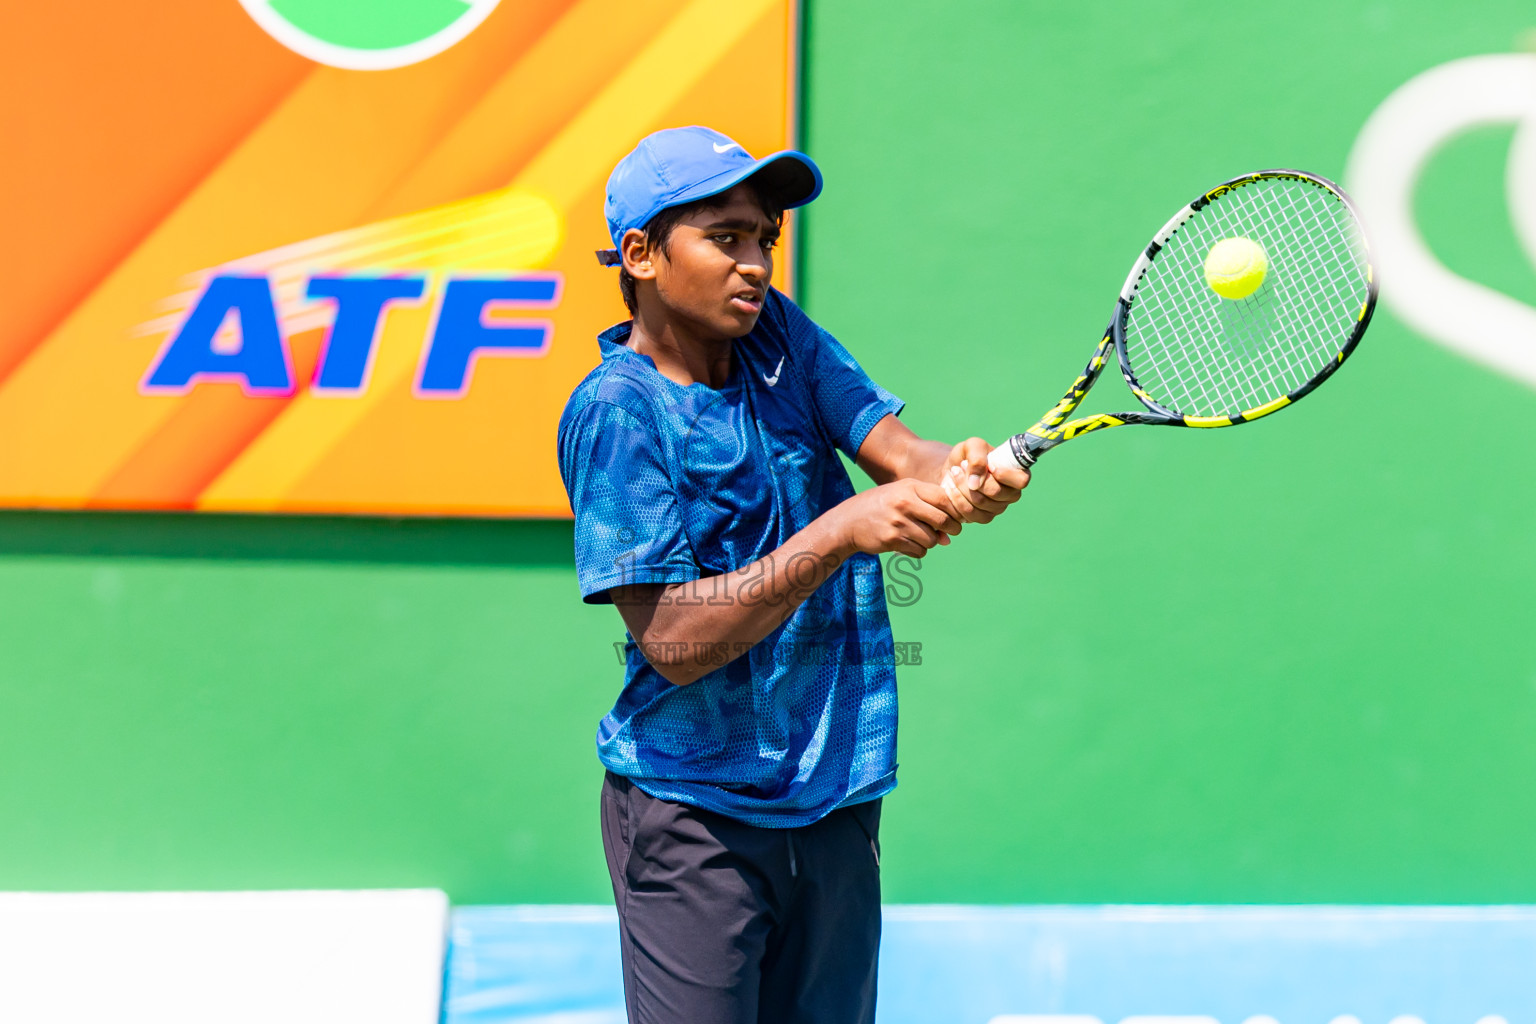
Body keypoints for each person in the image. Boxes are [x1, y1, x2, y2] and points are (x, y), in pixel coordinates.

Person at [556, 125, 1030, 1024]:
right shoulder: (616, 415)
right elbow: (674, 643)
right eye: (724, 237)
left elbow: (897, 450)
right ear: (641, 254)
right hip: (695, 817)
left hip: (836, 797)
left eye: (764, 239)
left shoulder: (780, 336)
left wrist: (961, 469)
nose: (754, 265)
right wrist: (845, 528)